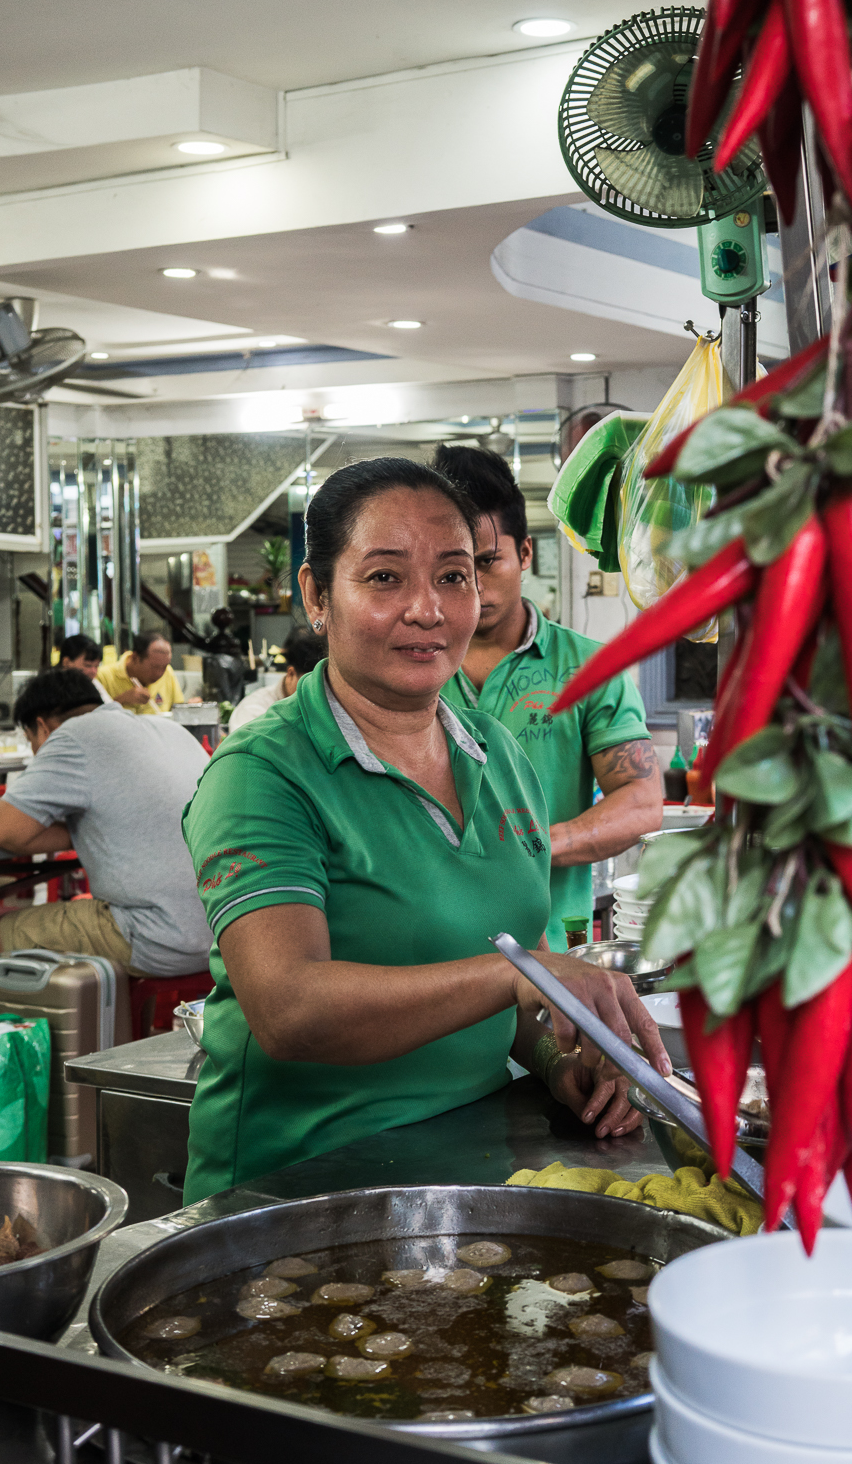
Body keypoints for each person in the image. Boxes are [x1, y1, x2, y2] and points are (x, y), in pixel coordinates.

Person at [181, 456, 670, 1201]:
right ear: (316, 594)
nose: (428, 609)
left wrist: (554, 1059)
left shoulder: (498, 755)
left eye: (454, 574)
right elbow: (289, 1009)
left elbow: (489, 988)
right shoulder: (263, 773)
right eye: (384, 577)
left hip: (460, 1167)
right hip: (291, 1193)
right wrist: (524, 975)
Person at [433, 444, 662, 949]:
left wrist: (528, 848)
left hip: (554, 957)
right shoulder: (409, 667)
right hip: (430, 960)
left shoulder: (589, 667)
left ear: (526, 553)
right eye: (452, 571)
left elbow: (641, 803)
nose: (472, 586)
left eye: (488, 562)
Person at [0, 669, 212, 975]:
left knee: (0, 932)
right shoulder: (168, 729)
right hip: (225, 932)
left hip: (161, 937)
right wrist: (97, 824)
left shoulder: (71, 736)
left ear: (41, 726)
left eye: (32, 742)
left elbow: (4, 833)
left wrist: (78, 830)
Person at [226, 630, 325, 734]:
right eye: (309, 684)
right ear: (291, 673)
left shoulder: (322, 710)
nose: (315, 691)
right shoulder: (254, 709)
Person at [100, 628, 190, 714]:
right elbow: (94, 717)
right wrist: (122, 699)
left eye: (164, 667)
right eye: (154, 667)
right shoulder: (103, 676)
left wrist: (189, 707)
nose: (159, 673)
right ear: (135, 657)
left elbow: (177, 708)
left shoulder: (168, 672)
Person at [58, 632, 111, 702]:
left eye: (96, 666)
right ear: (66, 662)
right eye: (88, 665)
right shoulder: (49, 687)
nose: (94, 672)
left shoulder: (94, 684)